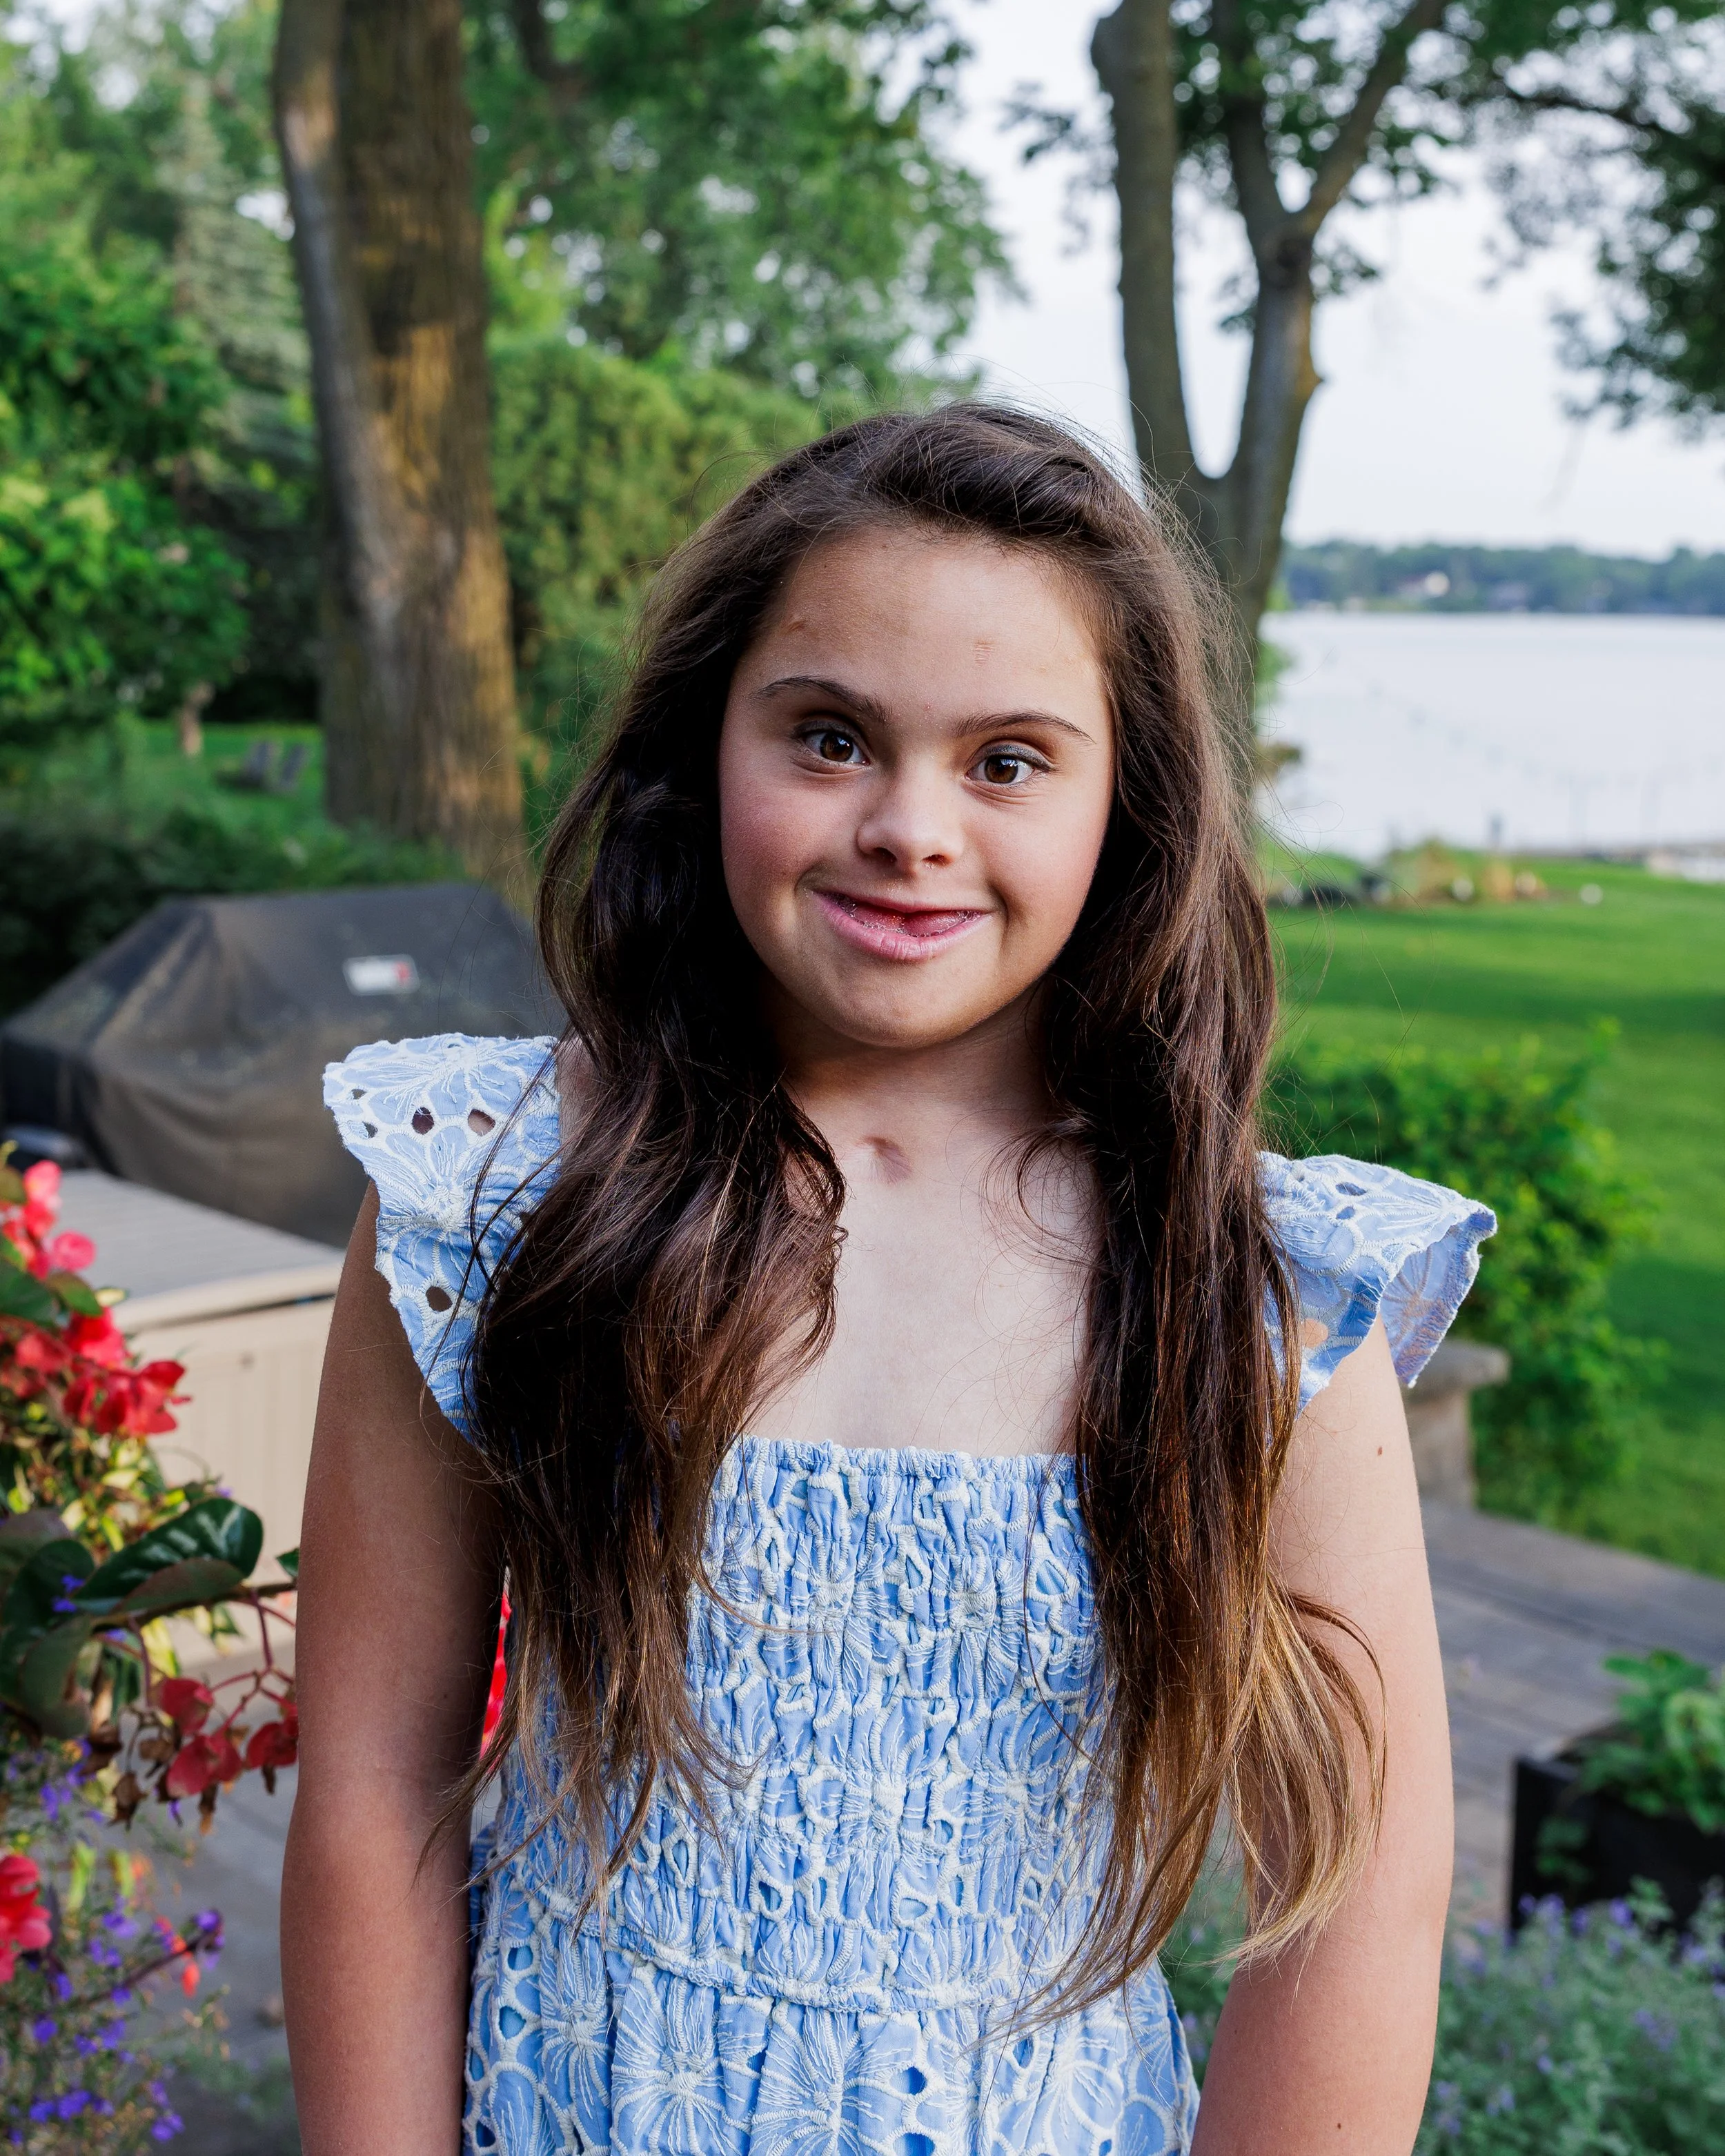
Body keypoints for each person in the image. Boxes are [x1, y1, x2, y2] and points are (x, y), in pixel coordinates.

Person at [282, 406, 1492, 2156]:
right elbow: (375, 1789)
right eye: (831, 736)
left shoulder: (1254, 1293)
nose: (909, 826)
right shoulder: (489, 1194)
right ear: (704, 745)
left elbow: (1358, 1895)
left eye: (1009, 759)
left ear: (1123, 803)